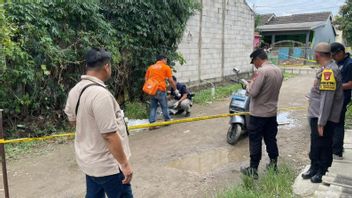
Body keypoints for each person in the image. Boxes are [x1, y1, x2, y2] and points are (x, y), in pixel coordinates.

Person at [64, 48, 133, 197]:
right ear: (106, 67)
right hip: (108, 166)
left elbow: (73, 121)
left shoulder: (75, 91)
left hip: (89, 162)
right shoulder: (101, 95)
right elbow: (109, 135)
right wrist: (125, 164)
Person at [301, 42, 343, 183]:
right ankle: (314, 166)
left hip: (323, 116)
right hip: (316, 114)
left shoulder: (329, 71)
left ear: (317, 55)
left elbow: (327, 98)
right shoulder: (326, 68)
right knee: (316, 142)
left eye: (315, 54)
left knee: (324, 143)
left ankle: (322, 170)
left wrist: (321, 122)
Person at [240, 48, 283, 179]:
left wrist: (247, 85)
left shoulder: (261, 71)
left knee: (255, 140)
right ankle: (273, 165)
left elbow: (253, 92)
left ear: (258, 59)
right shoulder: (278, 70)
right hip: (271, 113)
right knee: (271, 139)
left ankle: (253, 169)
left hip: (258, 114)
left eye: (254, 62)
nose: (254, 65)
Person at [145, 55, 180, 128]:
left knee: (153, 107)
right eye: (166, 60)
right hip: (160, 89)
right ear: (163, 59)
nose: (166, 61)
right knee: (164, 106)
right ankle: (167, 120)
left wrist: (150, 88)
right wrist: (175, 89)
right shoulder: (166, 67)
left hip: (152, 90)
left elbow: (146, 79)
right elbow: (170, 80)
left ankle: (152, 124)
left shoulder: (151, 67)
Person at [330, 42, 352, 160]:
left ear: (341, 52)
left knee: (338, 123)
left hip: (342, 97)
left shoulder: (349, 64)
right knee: (334, 122)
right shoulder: (338, 62)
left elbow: (350, 84)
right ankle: (336, 146)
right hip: (335, 97)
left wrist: (334, 86)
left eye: (334, 55)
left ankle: (337, 152)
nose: (333, 58)